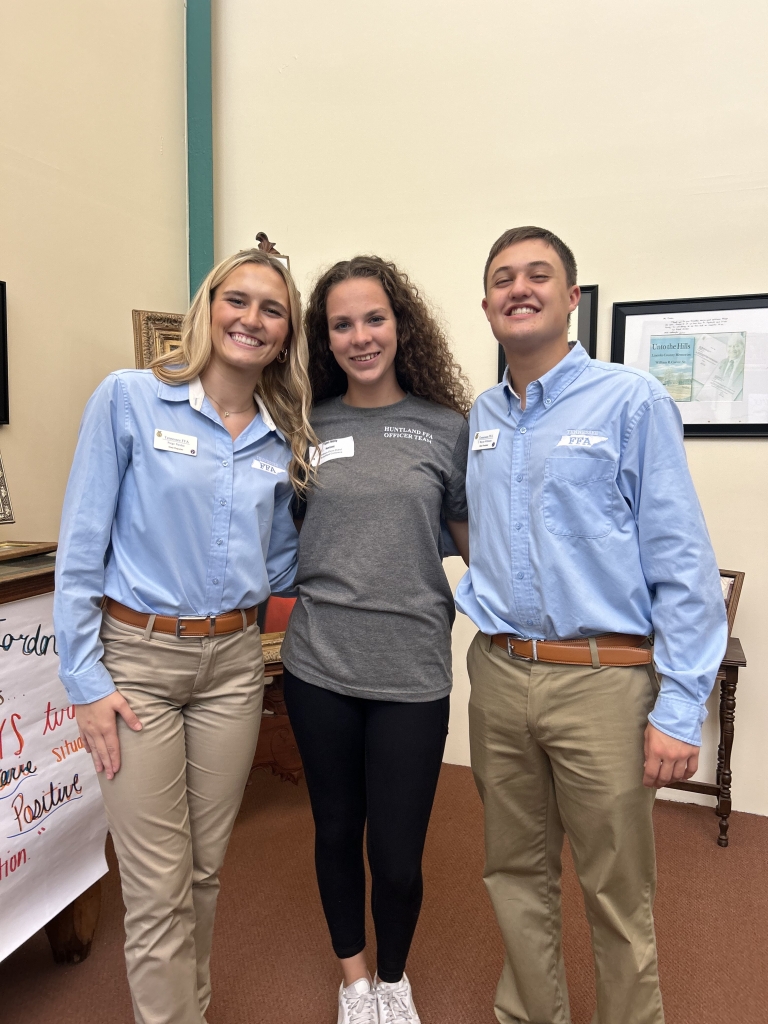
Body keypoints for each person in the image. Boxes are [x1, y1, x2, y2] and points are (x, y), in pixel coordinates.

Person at [455, 226, 727, 1024]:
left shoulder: (630, 400)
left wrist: (679, 708)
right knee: (513, 873)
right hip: (500, 676)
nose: (519, 288)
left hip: (603, 682)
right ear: (487, 306)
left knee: (616, 892)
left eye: (539, 275)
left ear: (572, 298)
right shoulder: (480, 416)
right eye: (503, 278)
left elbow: (681, 560)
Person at [54, 249, 315, 1024]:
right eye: (237, 299)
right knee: (157, 882)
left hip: (234, 665)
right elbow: (81, 549)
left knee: (203, 873)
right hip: (136, 663)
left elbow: (279, 564)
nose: (252, 318)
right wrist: (86, 681)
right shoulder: (131, 400)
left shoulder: (280, 436)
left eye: (272, 309)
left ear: (285, 334)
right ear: (207, 308)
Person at [280, 255, 471, 1024]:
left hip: (412, 674)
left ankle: (395, 978)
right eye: (341, 324)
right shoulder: (299, 421)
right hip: (318, 665)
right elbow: (280, 539)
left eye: (374, 318)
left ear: (402, 324)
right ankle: (355, 983)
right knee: (335, 830)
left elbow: (476, 550)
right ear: (323, 338)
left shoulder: (447, 427)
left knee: (396, 854)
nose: (360, 336)